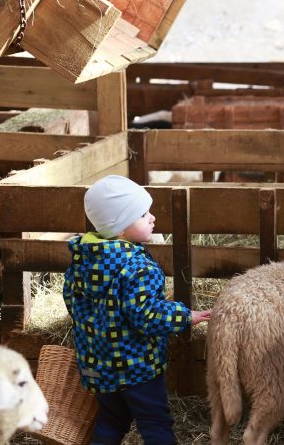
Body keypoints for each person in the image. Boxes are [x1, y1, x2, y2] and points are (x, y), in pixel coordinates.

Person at [63, 175, 212, 445]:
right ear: (121, 229)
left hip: (98, 366)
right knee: (155, 423)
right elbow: (146, 315)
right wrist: (185, 317)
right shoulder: (137, 267)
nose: (152, 217)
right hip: (136, 367)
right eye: (143, 215)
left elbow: (72, 304)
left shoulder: (82, 261)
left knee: (110, 421)